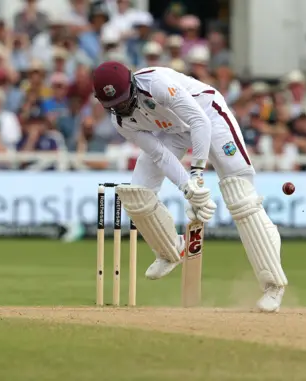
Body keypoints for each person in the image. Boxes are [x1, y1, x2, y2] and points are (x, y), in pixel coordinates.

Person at [91, 61, 288, 312]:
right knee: (138, 192)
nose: (121, 107)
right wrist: (188, 189)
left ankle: (273, 285)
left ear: (132, 83)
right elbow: (161, 156)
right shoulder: (122, 121)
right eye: (113, 105)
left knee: (240, 196)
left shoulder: (156, 84)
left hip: (208, 115)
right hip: (172, 131)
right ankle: (171, 249)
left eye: (122, 100)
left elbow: (199, 121)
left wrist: (196, 175)